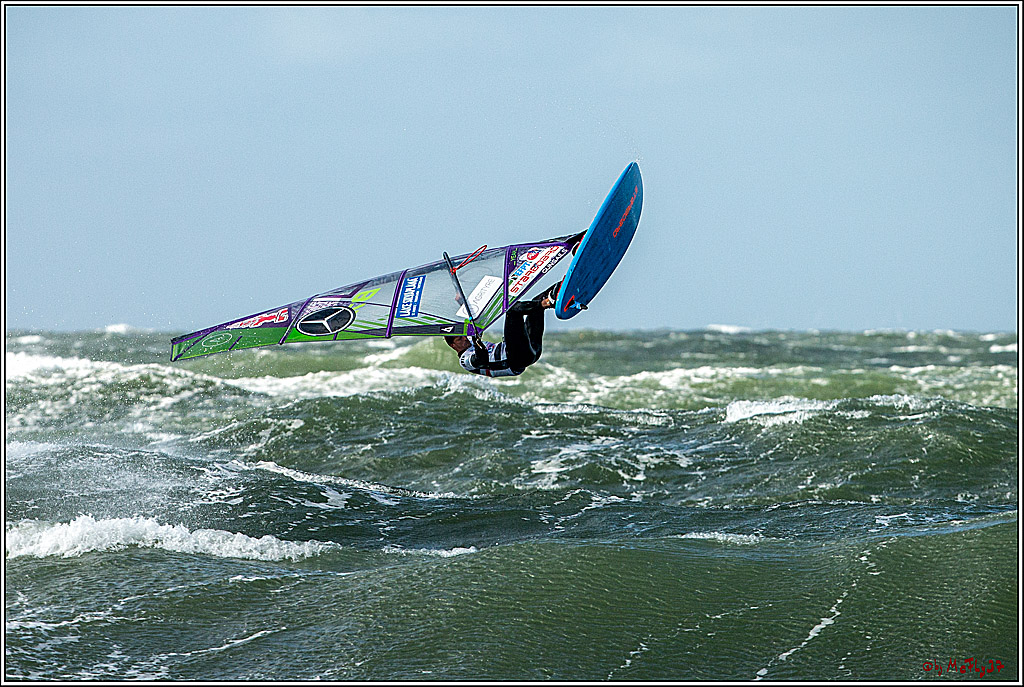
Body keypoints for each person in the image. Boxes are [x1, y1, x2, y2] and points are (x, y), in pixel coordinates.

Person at [444, 280, 561, 378]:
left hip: (532, 349)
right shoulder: (465, 360)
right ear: (453, 345)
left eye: (463, 336)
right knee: (512, 310)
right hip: (516, 360)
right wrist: (477, 341)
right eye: (460, 339)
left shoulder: (468, 340)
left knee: (537, 301)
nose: (465, 338)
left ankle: (563, 286)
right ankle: (549, 302)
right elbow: (481, 359)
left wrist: (460, 300)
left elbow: (474, 316)